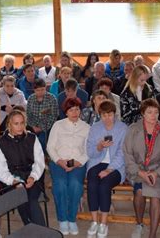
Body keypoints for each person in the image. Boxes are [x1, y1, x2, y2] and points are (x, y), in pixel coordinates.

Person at [123, 99, 160, 238]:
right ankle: (139, 224)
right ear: (143, 113)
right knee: (139, 192)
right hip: (138, 169)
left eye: (156, 112)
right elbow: (127, 154)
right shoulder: (133, 129)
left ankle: (152, 234)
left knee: (155, 198)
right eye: (150, 112)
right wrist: (140, 173)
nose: (153, 115)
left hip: (158, 171)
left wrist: (157, 173)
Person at [0, 110, 46, 226]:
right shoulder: (1, 143)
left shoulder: (32, 138)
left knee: (32, 201)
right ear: (9, 125)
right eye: (16, 123)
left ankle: (41, 232)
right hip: (12, 179)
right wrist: (13, 181)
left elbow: (39, 162)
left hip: (32, 176)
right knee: (21, 198)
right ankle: (30, 227)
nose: (20, 126)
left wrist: (33, 177)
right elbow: (1, 170)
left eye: (22, 123)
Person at [47, 98, 90, 235]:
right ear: (66, 112)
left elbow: (88, 150)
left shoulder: (87, 127)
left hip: (77, 163)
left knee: (75, 184)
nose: (75, 112)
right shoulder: (58, 125)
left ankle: (71, 219)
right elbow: (50, 147)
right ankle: (62, 219)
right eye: (71, 110)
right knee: (60, 184)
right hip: (58, 161)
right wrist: (59, 161)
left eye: (77, 109)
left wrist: (79, 162)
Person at [86, 100, 127, 238]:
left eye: (110, 115)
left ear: (114, 114)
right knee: (92, 184)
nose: (107, 118)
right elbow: (90, 152)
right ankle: (94, 221)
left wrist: (110, 169)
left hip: (116, 166)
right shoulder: (95, 128)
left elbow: (123, 153)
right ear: (100, 115)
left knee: (104, 186)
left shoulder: (122, 128)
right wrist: (100, 147)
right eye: (104, 115)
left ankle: (103, 223)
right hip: (97, 162)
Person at [26, 78, 59, 151]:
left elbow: (54, 116)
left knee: (42, 141)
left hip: (47, 127)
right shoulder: (30, 98)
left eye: (42, 89)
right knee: (29, 140)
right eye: (38, 90)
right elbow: (28, 114)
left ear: (46, 88)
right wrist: (33, 127)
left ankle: (43, 156)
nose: (40, 92)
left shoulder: (52, 98)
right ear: (34, 90)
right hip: (32, 126)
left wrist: (42, 128)